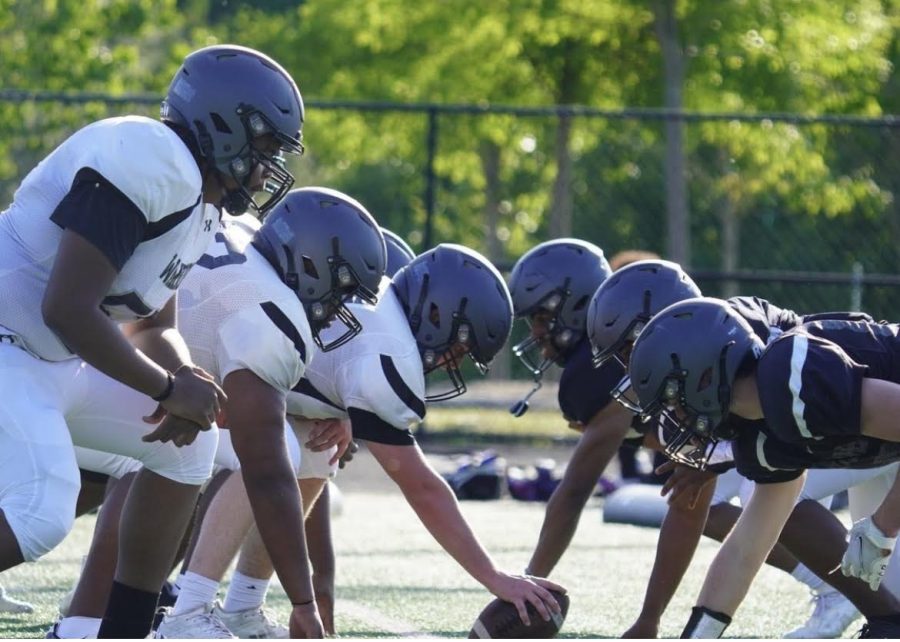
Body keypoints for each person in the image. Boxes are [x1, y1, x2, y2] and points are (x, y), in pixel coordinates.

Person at [0, 43, 305, 638]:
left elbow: (154, 326)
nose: (268, 166)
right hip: (10, 339)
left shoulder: (200, 204)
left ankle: (123, 631)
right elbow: (65, 307)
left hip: (43, 357)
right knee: (41, 510)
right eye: (265, 145)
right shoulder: (152, 157)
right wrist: (166, 387)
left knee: (187, 448)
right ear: (223, 124)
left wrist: (185, 379)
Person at [154, 243, 566, 638]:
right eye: (458, 348)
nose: (452, 364)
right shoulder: (390, 354)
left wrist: (345, 410)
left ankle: (243, 607)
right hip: (185, 365)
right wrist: (493, 576)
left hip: (220, 354)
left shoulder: (381, 308)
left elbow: (322, 363)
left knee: (316, 450)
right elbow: (421, 486)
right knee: (277, 449)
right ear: (436, 314)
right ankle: (188, 611)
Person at [46, 187, 386, 639]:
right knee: (51, 510)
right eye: (341, 287)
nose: (340, 306)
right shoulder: (271, 316)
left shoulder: (242, 236)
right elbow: (266, 469)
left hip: (94, 363)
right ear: (308, 263)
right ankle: (149, 617)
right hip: (85, 371)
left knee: (188, 448)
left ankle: (86, 624)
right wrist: (303, 601)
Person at [627, 297, 900, 638]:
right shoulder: (758, 432)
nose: (676, 418)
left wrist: (882, 527)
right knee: (893, 609)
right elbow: (745, 549)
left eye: (674, 399)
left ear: (705, 376)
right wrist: (698, 636)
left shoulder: (788, 374)